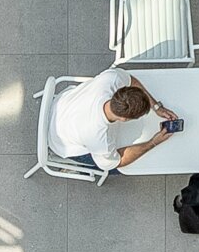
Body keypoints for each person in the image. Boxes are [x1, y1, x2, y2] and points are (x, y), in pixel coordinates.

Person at [50, 65, 185, 174]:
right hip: (59, 142)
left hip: (61, 104)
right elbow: (116, 162)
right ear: (124, 119)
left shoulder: (111, 79)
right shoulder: (99, 138)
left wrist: (156, 106)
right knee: (116, 169)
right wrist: (153, 142)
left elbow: (131, 80)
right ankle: (79, 169)